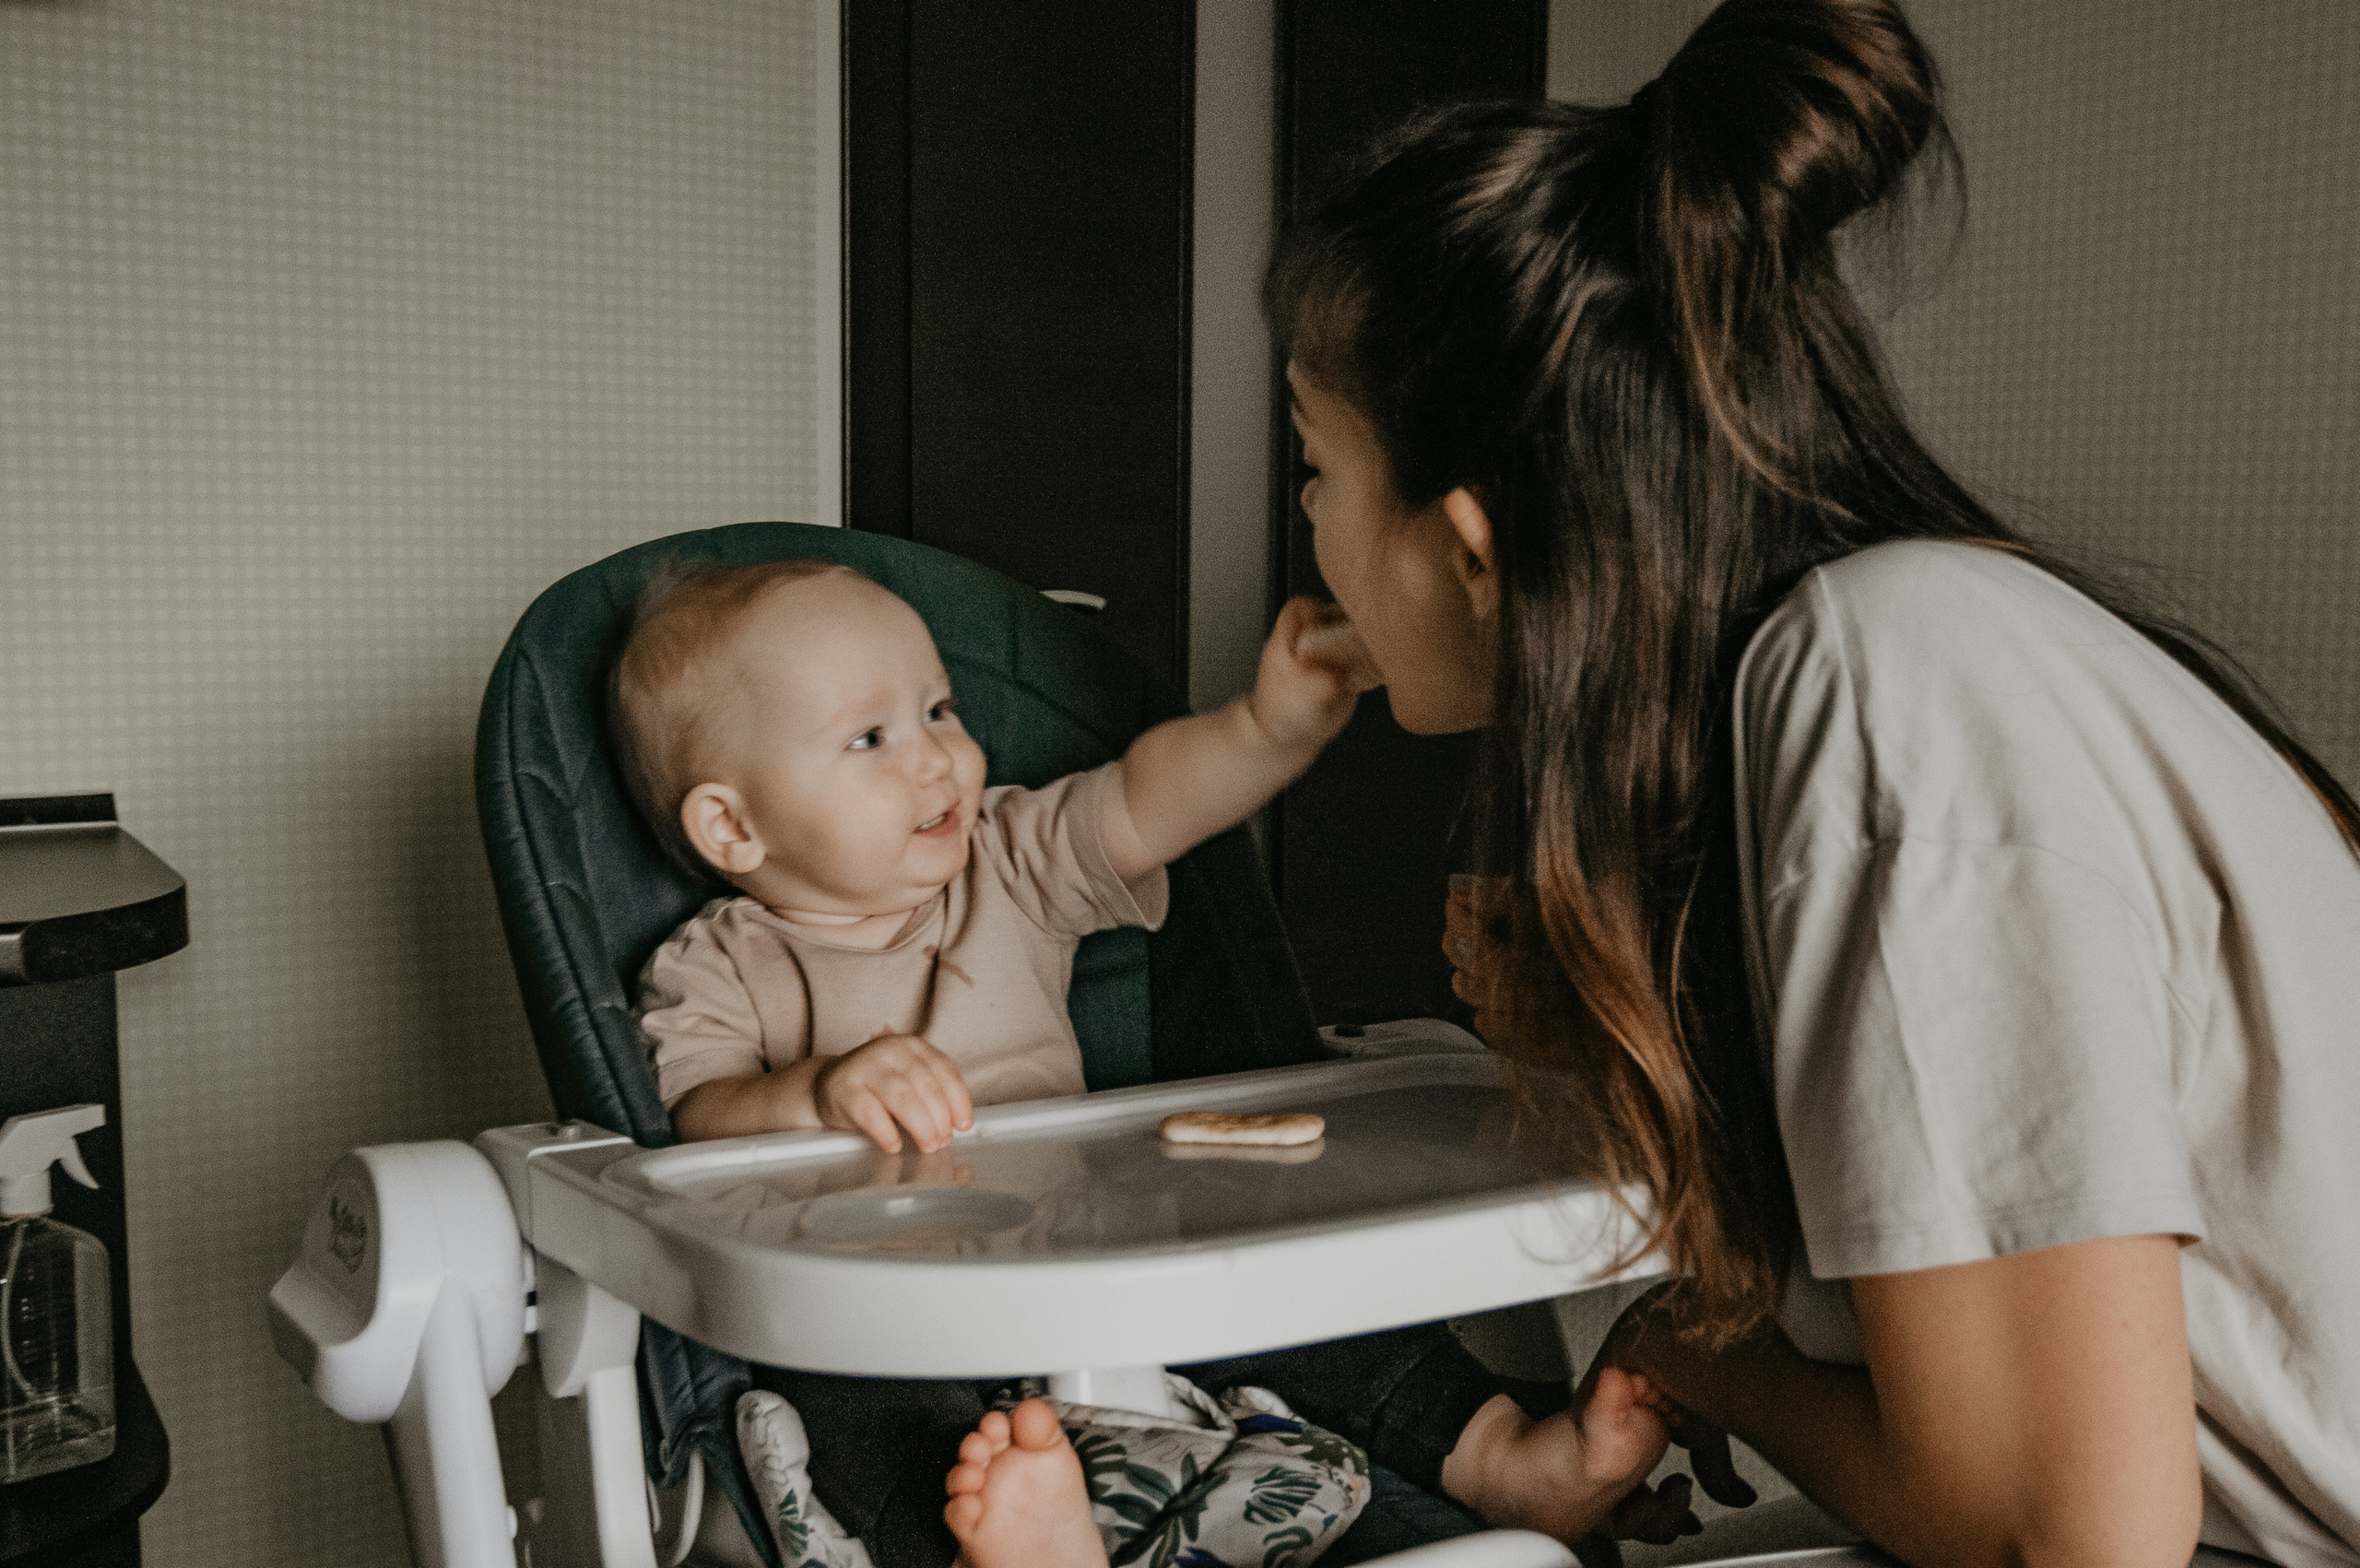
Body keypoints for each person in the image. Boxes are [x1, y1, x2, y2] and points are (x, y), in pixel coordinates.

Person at [1243, 0, 2360, 1564]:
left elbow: (2070, 1527)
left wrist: (1697, 1348)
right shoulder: (1866, 676)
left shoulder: (1894, 678)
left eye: (1314, 465)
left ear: (1472, 544)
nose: (1311, 529)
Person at [608, 560, 1694, 1567]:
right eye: (869, 739)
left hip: (1098, 1264)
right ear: (732, 826)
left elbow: (1141, 802)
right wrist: (817, 1090)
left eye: (939, 710)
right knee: (845, 1408)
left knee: (1301, 1293)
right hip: (894, 1316)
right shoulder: (717, 964)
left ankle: (1507, 1461)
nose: (936, 753)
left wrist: (1265, 728)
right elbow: (695, 1115)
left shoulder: (1008, 858)